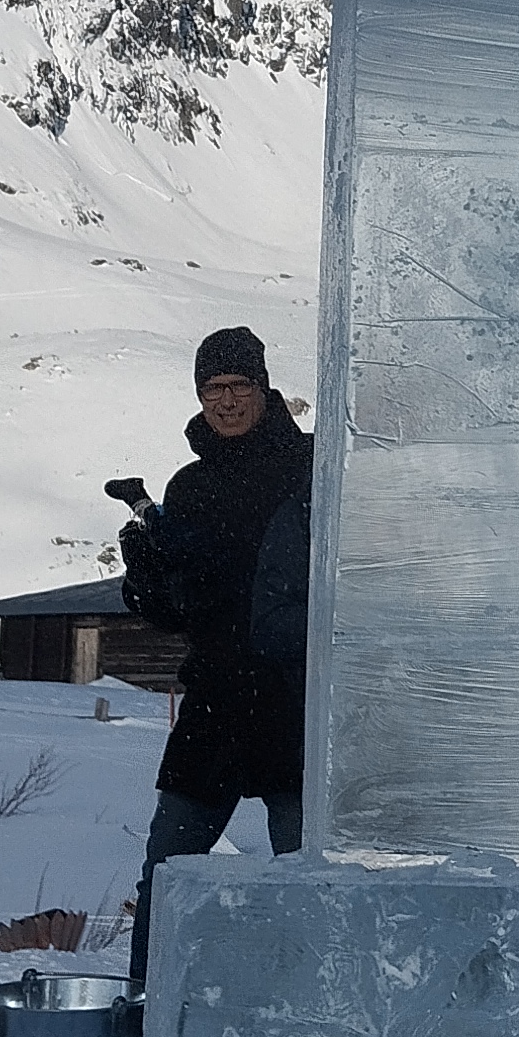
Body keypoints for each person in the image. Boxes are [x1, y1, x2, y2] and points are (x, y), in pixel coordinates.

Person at [121, 326, 313, 987]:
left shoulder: (314, 467)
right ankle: (148, 1022)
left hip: (301, 703)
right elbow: (183, 611)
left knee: (309, 882)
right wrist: (148, 583)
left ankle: (312, 1017)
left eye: (238, 386)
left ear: (264, 389)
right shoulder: (191, 486)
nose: (226, 401)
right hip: (217, 702)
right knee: (168, 875)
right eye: (212, 389)